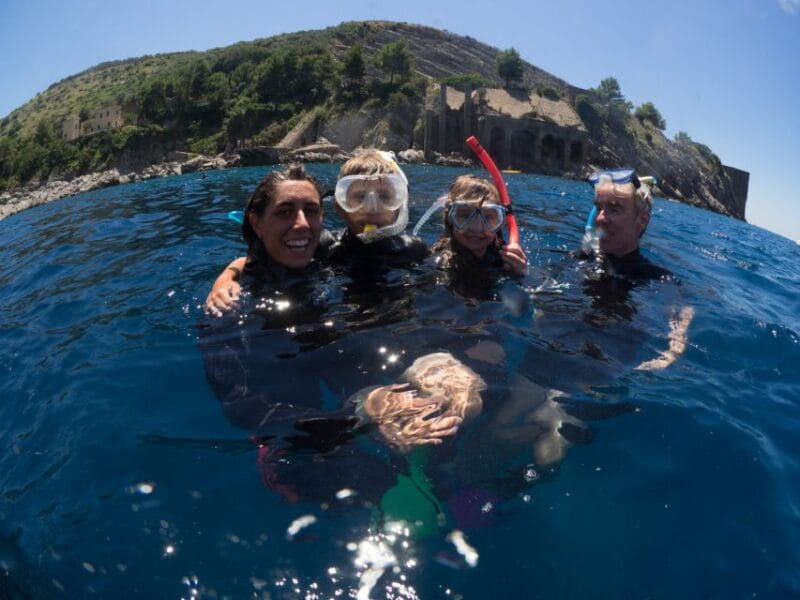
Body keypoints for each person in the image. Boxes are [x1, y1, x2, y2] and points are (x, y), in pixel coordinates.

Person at [578, 169, 694, 370]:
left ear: (642, 220)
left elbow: (684, 310)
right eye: (599, 208)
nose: (600, 219)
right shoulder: (580, 258)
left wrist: (672, 350)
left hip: (606, 367)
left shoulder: (658, 277)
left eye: (614, 209)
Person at [430, 174, 528, 278]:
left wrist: (520, 274)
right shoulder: (437, 262)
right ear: (450, 218)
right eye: (465, 215)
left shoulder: (502, 259)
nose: (476, 228)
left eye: (488, 217)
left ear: (499, 223)